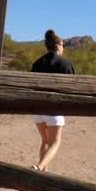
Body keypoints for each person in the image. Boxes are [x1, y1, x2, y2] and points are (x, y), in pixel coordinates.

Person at [29, 29, 75, 171]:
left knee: (45, 141)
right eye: (63, 45)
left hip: (37, 109)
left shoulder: (37, 63)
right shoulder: (65, 64)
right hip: (54, 109)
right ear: (58, 45)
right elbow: (73, 87)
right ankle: (39, 167)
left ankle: (43, 173)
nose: (63, 47)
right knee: (55, 142)